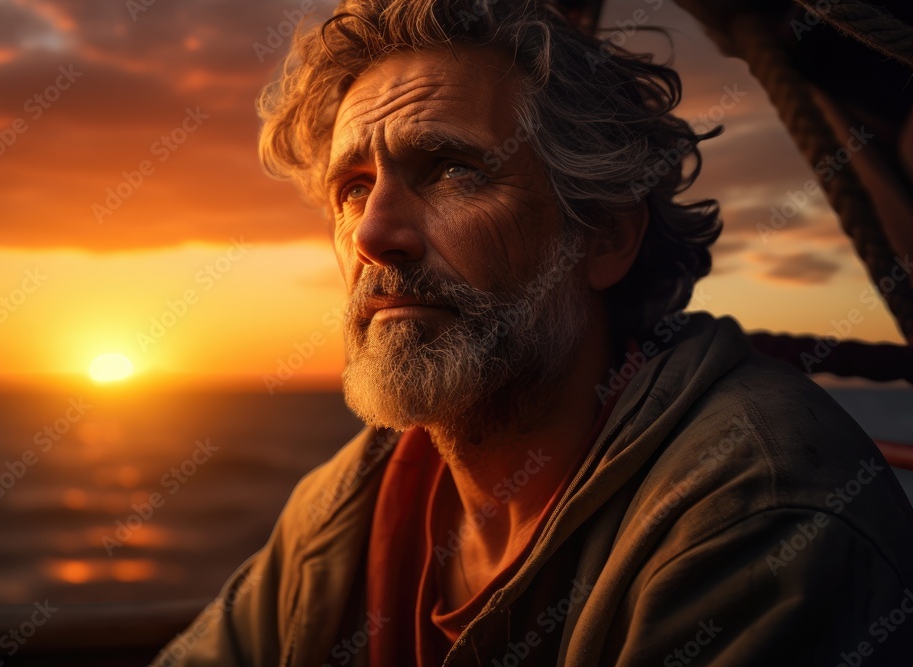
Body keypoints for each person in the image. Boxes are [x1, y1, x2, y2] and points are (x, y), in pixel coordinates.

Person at [153, 0, 913, 664]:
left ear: (606, 235)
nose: (374, 234)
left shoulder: (758, 513)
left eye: (451, 169)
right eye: (353, 188)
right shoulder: (347, 506)